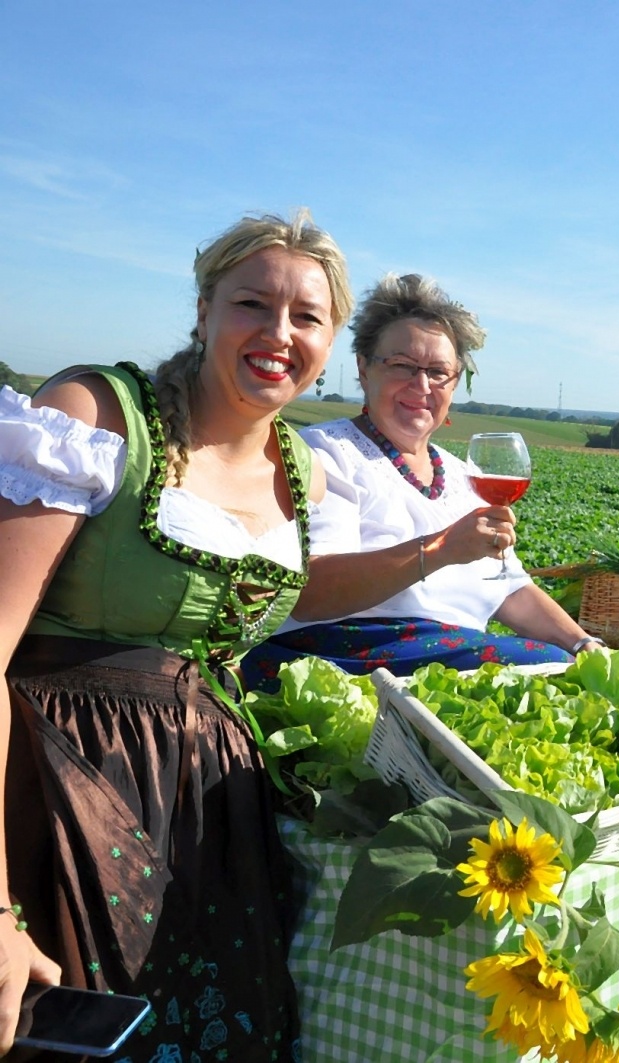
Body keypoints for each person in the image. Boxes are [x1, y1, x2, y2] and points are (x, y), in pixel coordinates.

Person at [0, 210, 352, 1059]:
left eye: (306, 316)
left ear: (331, 341)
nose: (278, 333)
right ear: (202, 310)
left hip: (209, 818)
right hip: (54, 793)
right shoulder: (95, 415)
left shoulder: (303, 469)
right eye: (251, 304)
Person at [242, 273, 601, 689]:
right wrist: (441, 549)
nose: (422, 385)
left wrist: (583, 644)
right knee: (542, 668)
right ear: (363, 367)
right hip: (342, 654)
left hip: (447, 658)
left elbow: (512, 589)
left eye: (438, 372)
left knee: (569, 670)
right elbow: (312, 591)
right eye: (402, 366)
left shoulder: (466, 478)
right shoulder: (326, 453)